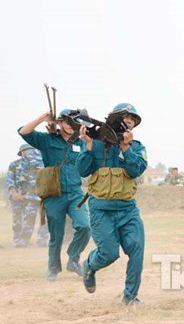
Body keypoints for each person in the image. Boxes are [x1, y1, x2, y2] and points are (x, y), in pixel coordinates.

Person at [77, 103, 147, 306]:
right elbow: (82, 170)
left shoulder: (137, 147)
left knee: (136, 250)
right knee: (108, 254)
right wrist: (88, 146)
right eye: (125, 117)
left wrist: (126, 147)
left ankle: (130, 297)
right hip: (101, 210)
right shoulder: (95, 142)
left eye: (133, 120)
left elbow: (136, 171)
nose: (129, 122)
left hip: (128, 209)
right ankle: (89, 266)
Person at [18, 110, 91, 281]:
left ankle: (73, 259)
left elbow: (89, 161)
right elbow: (23, 132)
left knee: (85, 226)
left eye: (75, 123)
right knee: (56, 235)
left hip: (75, 193)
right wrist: (41, 118)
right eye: (68, 122)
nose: (71, 126)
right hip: (54, 194)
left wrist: (89, 142)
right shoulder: (47, 140)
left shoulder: (80, 143)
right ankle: (53, 269)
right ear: (60, 123)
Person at [6, 144, 49, 247]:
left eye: (32, 150)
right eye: (27, 151)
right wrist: (15, 194)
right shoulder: (15, 165)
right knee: (18, 220)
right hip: (17, 196)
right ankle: (19, 241)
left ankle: (40, 241)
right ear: (21, 153)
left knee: (40, 219)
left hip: (36, 197)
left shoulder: (42, 164)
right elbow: (10, 181)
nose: (31, 153)